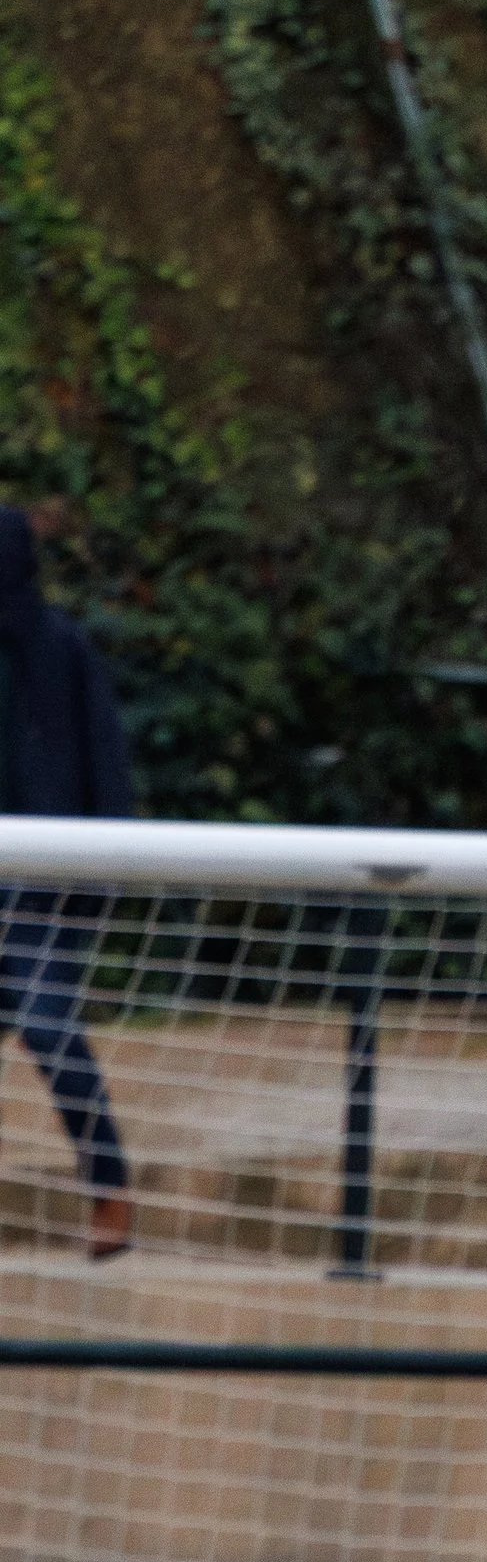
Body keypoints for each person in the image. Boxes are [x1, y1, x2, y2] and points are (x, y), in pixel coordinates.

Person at [0, 505, 135, 1260]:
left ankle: (109, 1187)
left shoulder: (62, 649)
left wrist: (102, 876)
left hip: (41, 879)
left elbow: (106, 766)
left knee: (50, 1029)